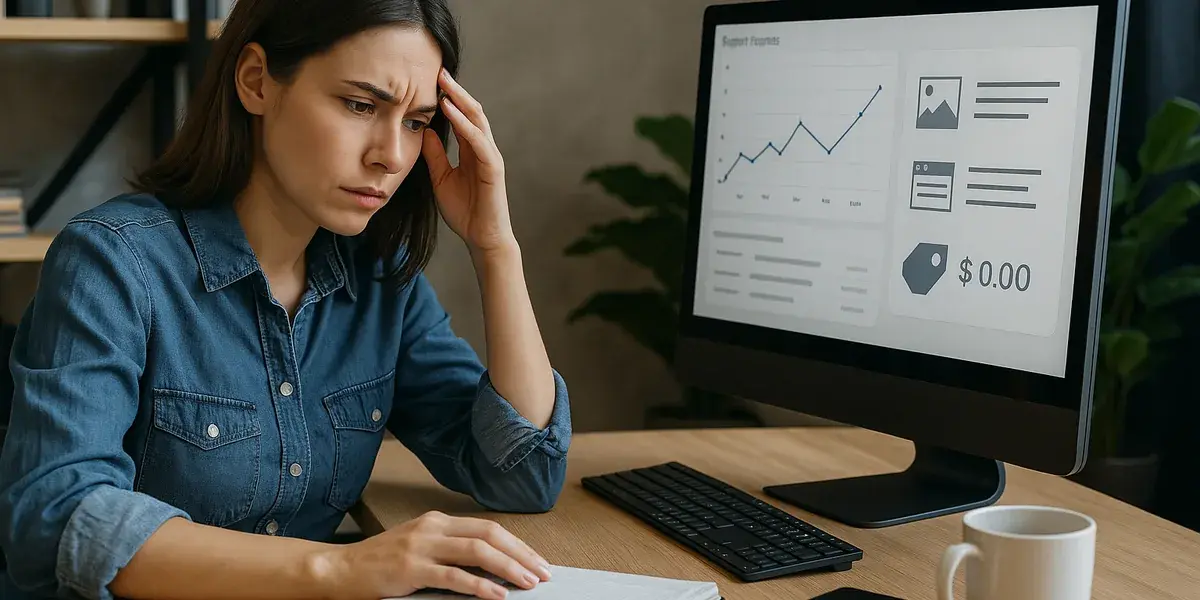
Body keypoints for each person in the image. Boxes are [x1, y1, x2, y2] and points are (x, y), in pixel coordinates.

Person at [0, 0, 572, 599]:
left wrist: (496, 249)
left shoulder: (380, 282)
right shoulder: (112, 263)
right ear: (256, 82)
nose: (393, 156)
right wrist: (339, 568)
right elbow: (58, 519)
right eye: (360, 104)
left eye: (414, 122)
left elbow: (523, 476)